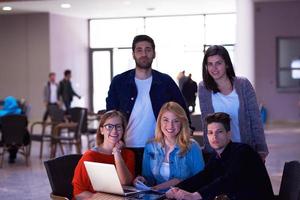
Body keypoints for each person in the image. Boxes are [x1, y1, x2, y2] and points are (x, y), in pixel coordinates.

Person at [106, 35, 189, 175]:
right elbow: (110, 115)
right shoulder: (119, 82)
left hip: (159, 149)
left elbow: (182, 112)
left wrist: (186, 136)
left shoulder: (165, 81)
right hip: (125, 148)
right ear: (133, 54)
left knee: (153, 190)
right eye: (139, 50)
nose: (144, 54)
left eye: (148, 50)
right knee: (127, 190)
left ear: (154, 53)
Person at [166, 112, 274, 200]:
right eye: (210, 133)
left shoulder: (243, 151)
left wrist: (195, 195)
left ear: (228, 134)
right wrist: (176, 189)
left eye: (219, 132)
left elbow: (229, 180)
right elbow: (203, 177)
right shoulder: (216, 156)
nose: (214, 137)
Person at [198, 45, 268, 161]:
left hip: (244, 148)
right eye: (210, 64)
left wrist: (261, 149)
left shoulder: (243, 84)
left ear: (227, 64)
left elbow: (255, 119)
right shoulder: (204, 88)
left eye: (218, 63)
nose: (214, 68)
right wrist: (209, 152)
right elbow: (207, 123)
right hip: (219, 153)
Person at [134, 102, 204, 191]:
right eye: (166, 120)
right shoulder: (150, 146)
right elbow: (149, 179)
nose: (170, 125)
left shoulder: (193, 147)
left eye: (176, 121)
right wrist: (142, 180)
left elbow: (201, 181)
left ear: (182, 123)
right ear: (159, 122)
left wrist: (178, 183)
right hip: (158, 196)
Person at [72, 110, 135, 200]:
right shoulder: (90, 156)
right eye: (109, 126)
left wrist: (116, 152)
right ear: (101, 130)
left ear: (123, 130)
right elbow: (78, 193)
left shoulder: (129, 154)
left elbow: (125, 182)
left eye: (118, 126)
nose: (114, 130)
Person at [0, 96, 30, 163]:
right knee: (16, 135)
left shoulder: (1, 114)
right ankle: (12, 155)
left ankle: (11, 156)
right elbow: (26, 124)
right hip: (21, 140)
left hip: (6, 140)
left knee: (9, 136)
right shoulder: (21, 113)